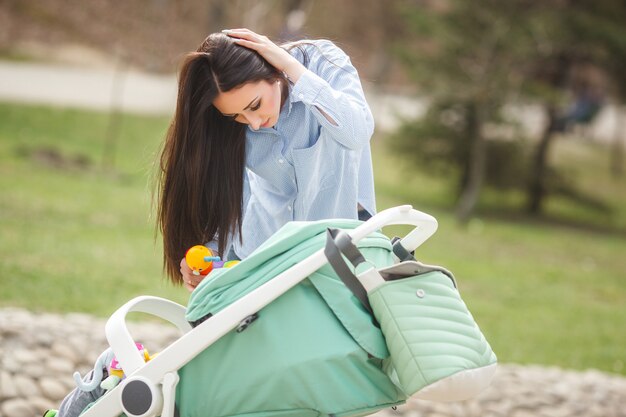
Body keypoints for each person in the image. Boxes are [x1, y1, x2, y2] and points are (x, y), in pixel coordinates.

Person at [157, 28, 377, 292]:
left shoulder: (323, 63)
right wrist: (207, 259)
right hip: (261, 263)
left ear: (273, 71)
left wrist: (291, 67)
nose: (254, 123)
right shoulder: (235, 127)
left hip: (337, 259)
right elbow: (229, 194)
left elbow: (356, 133)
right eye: (236, 116)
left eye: (254, 105)